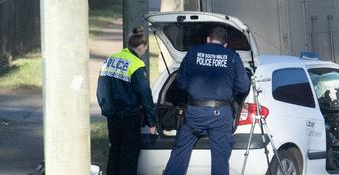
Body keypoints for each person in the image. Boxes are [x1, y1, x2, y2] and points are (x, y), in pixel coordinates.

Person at [163, 26, 251, 175]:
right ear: (225, 44)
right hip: (220, 115)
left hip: (194, 113)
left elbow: (181, 83)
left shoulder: (193, 53)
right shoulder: (232, 57)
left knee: (180, 152)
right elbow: (243, 86)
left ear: (208, 39)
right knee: (220, 160)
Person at [96, 27, 156, 175]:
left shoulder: (110, 59)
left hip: (113, 117)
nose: (145, 52)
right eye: (145, 49)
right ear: (141, 46)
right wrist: (152, 122)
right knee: (128, 156)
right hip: (129, 117)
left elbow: (101, 88)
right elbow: (145, 95)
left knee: (115, 152)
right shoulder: (136, 64)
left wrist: (107, 109)